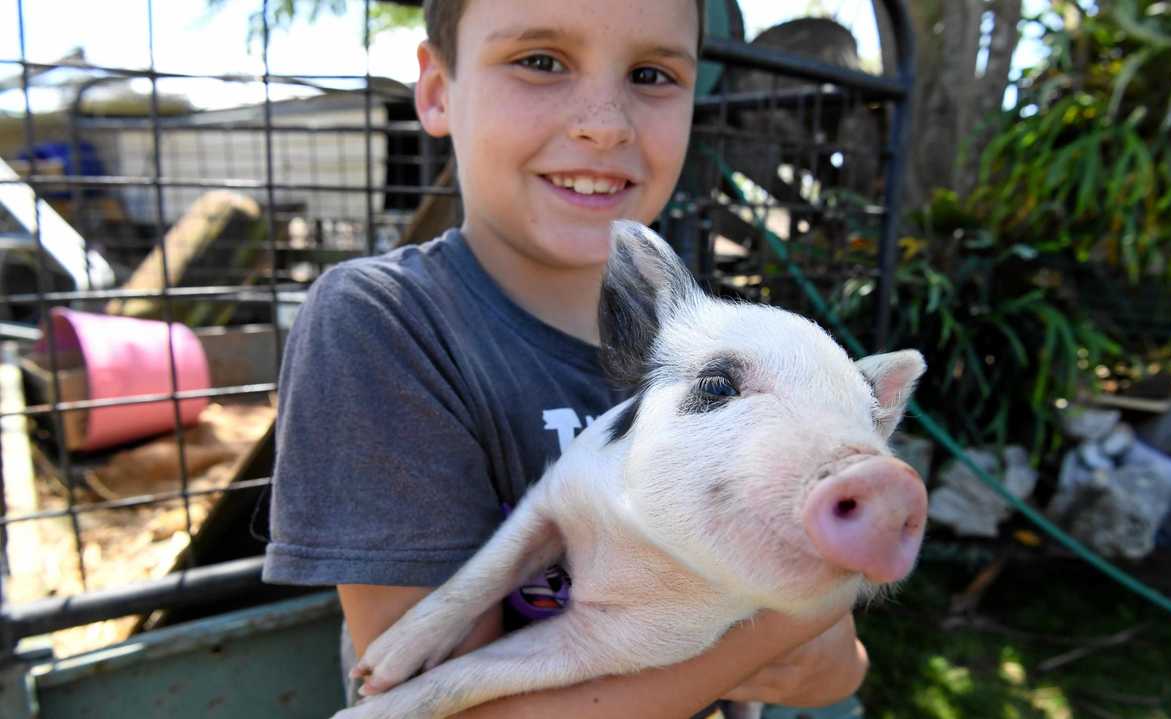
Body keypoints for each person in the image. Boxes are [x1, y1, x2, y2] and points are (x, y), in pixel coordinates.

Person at [263, 0, 869, 715]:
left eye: (650, 73)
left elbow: (838, 666)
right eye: (540, 62)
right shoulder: (385, 322)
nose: (605, 124)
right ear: (435, 91)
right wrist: (790, 616)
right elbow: (449, 708)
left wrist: (817, 635)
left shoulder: (731, 347)